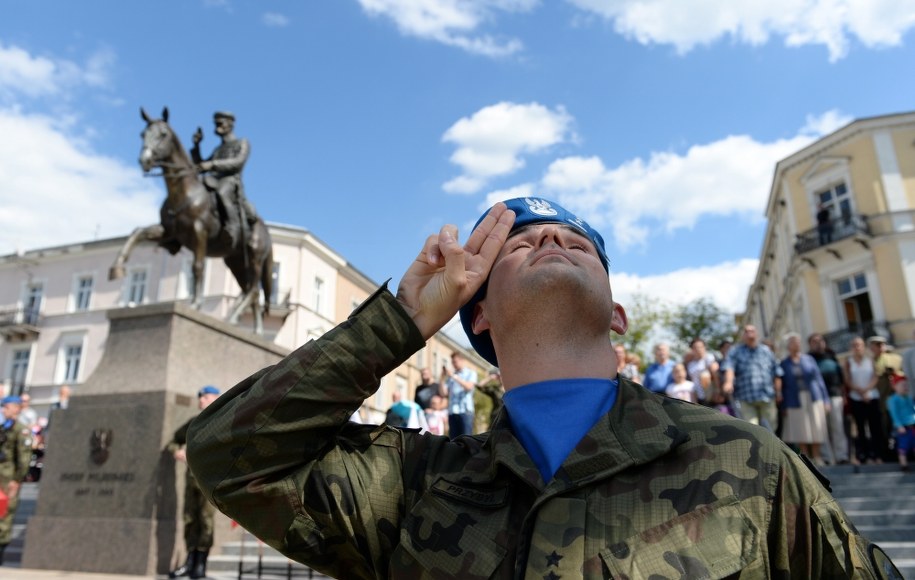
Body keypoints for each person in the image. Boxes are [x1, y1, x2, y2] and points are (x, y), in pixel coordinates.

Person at [186, 197, 900, 578]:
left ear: (616, 314)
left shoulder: (746, 463)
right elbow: (226, 456)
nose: (551, 240)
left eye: (576, 243)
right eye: (520, 244)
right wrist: (401, 321)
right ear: (478, 316)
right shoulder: (413, 483)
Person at [167, 386, 221, 579]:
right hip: (192, 480)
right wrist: (177, 451)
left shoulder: (223, 421)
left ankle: (201, 564)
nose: (200, 400)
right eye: (200, 397)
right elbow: (174, 440)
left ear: (215, 398)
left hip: (210, 481)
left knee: (206, 521)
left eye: (204, 397)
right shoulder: (194, 423)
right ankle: (190, 563)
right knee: (190, 519)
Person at [191, 111, 259, 246]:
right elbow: (201, 165)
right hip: (214, 179)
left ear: (230, 124)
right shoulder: (218, 149)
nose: (217, 127)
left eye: (220, 123)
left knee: (222, 193)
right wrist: (197, 146)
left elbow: (238, 163)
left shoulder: (242, 143)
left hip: (231, 180)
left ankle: (232, 227)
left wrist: (212, 164)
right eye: (216, 124)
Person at [779, 333, 830, 466]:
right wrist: (784, 405)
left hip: (813, 397)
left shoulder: (809, 359)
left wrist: (826, 400)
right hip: (794, 399)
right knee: (800, 428)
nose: (797, 343)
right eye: (793, 341)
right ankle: (806, 458)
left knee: (816, 426)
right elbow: (783, 386)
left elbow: (819, 379)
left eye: (798, 341)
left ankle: (817, 456)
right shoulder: (784, 363)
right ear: (788, 345)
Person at [721, 325, 784, 431]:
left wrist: (778, 392)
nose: (749, 333)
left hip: (767, 397)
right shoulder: (735, 351)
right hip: (745, 398)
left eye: (752, 331)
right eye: (746, 331)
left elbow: (777, 372)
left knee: (770, 430)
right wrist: (728, 382)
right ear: (743, 336)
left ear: (757, 334)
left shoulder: (766, 351)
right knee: (751, 430)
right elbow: (729, 367)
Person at [808, 333, 850, 465]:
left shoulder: (832, 356)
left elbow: (841, 377)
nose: (818, 343)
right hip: (817, 398)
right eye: (814, 341)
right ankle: (826, 457)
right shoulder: (808, 359)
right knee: (821, 429)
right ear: (810, 344)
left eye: (820, 340)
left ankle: (841, 456)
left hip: (835, 395)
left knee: (838, 427)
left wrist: (843, 394)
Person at [0, 396, 32, 566]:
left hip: (8, 480)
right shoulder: (4, 428)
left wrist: (16, 480)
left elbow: (24, 459)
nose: (3, 410)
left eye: (6, 407)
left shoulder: (21, 430)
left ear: (16, 408)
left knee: (3, 518)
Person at [844, 336, 886, 465]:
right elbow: (847, 379)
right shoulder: (848, 362)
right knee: (860, 428)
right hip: (856, 398)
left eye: (859, 345)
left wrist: (867, 390)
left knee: (875, 427)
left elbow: (875, 376)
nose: (857, 347)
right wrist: (859, 391)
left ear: (863, 346)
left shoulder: (870, 360)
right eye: (854, 345)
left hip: (871, 396)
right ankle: (865, 456)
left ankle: (878, 455)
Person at [870, 336, 902, 461]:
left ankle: (902, 452)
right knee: (885, 427)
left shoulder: (895, 358)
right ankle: (889, 453)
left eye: (881, 344)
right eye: (876, 345)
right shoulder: (871, 361)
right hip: (881, 400)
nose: (880, 347)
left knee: (899, 425)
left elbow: (902, 375)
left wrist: (894, 374)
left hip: (897, 399)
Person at [439, 351, 477, 438]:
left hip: (465, 411)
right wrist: (442, 378)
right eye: (452, 362)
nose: (453, 364)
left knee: (466, 439)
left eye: (455, 362)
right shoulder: (451, 376)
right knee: (454, 441)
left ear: (462, 360)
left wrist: (453, 376)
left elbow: (469, 387)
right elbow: (443, 393)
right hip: (452, 411)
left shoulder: (470, 373)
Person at [886, 375, 915, 471]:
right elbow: (894, 414)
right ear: (895, 386)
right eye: (903, 385)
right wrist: (899, 425)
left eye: (906, 385)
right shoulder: (893, 399)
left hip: (912, 424)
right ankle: (904, 464)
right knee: (903, 446)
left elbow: (912, 410)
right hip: (903, 427)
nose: (905, 387)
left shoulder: (908, 398)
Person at [685, 337, 718, 402]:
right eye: (695, 347)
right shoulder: (690, 364)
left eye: (700, 347)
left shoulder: (709, 358)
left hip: (711, 395)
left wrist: (717, 390)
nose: (698, 349)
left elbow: (716, 375)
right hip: (698, 397)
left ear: (704, 347)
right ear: (692, 349)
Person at [473, 368, 504, 433]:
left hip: (508, 419)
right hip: (495, 417)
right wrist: (490, 378)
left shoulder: (511, 390)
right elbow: (479, 386)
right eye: (500, 376)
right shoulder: (494, 389)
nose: (502, 378)